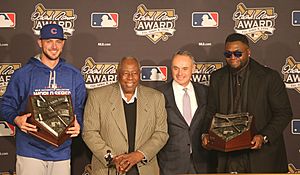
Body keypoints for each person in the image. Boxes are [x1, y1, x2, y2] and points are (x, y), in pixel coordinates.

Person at [0, 24, 87, 175]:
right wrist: (16, 119)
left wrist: (78, 123)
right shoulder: (23, 74)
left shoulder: (74, 75)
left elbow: (78, 107)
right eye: (49, 41)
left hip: (61, 152)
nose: (54, 46)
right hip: (30, 151)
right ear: (40, 42)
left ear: (63, 43)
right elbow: (5, 105)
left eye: (58, 41)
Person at [202, 33, 293, 173]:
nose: (233, 57)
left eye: (238, 53)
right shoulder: (217, 77)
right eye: (228, 54)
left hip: (261, 156)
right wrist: (205, 133)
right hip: (227, 157)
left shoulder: (269, 77)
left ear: (248, 52)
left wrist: (263, 136)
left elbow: (284, 113)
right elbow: (211, 111)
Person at [82, 56, 168, 175]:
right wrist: (113, 158)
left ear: (140, 74)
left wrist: (139, 155)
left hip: (144, 168)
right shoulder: (97, 97)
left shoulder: (156, 97)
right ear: (118, 74)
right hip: (109, 169)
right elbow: (90, 132)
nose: (130, 77)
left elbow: (161, 133)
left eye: (134, 73)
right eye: (125, 73)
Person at [157, 51, 217, 175]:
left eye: (185, 68)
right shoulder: (159, 94)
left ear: (193, 68)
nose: (180, 73)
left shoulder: (206, 92)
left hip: (202, 162)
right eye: (176, 68)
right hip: (170, 164)